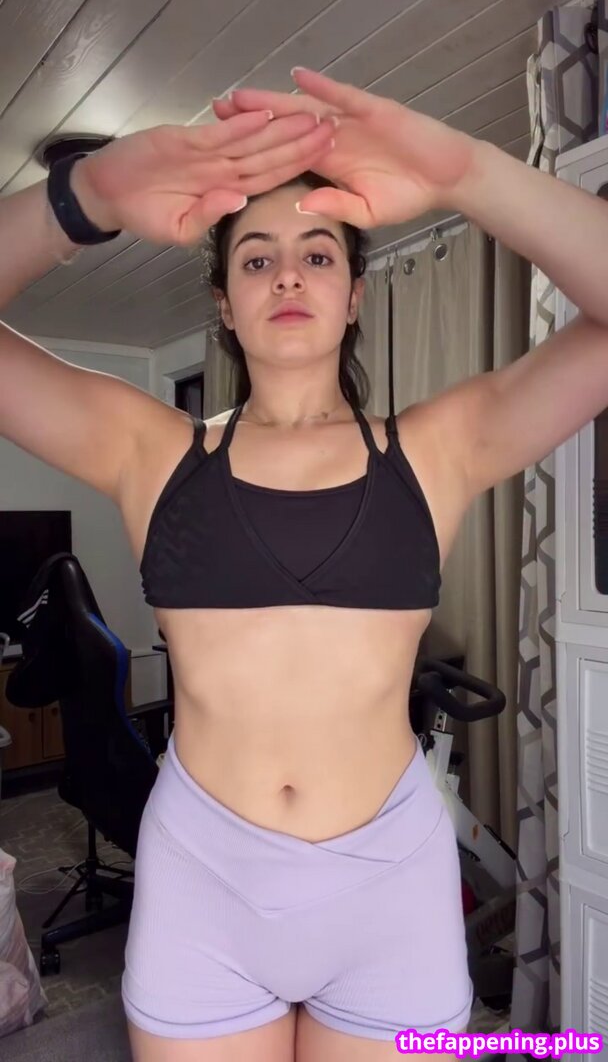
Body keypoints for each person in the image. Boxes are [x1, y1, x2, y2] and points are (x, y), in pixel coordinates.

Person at [1, 66, 607, 1062]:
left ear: (354, 294)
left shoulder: (436, 451)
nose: (287, 276)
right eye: (257, 259)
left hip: (390, 895)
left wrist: (463, 172)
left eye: (316, 254)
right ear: (224, 304)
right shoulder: (150, 452)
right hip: (203, 890)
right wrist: (90, 194)